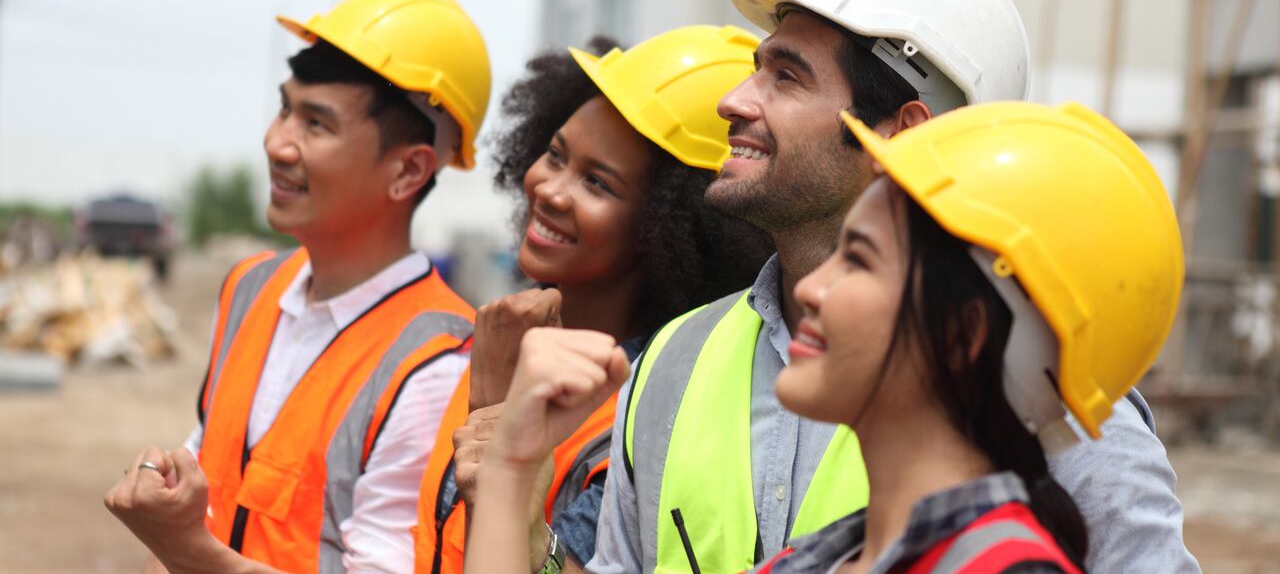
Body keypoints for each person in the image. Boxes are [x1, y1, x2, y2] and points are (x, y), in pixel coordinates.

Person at [464, 99, 1185, 574]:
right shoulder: (829, 559)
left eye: (859, 259)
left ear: (964, 333)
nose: (809, 290)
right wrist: (509, 470)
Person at [104, 0, 491, 574]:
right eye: (285, 109)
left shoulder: (437, 363)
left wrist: (185, 549)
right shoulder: (251, 286)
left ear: (407, 171)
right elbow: (215, 461)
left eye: (316, 124)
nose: (276, 142)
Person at [413, 25, 775, 573]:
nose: (550, 190)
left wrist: (496, 419)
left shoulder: (641, 411)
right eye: (555, 155)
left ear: (670, 228)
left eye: (598, 183)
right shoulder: (501, 343)